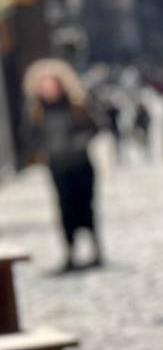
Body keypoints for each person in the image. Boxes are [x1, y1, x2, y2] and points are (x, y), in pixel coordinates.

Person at [22, 59, 105, 271]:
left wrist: (78, 143)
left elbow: (96, 126)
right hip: (58, 167)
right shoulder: (37, 112)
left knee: (86, 206)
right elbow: (30, 137)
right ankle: (70, 252)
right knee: (65, 209)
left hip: (80, 163)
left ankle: (96, 249)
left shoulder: (77, 105)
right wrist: (43, 152)